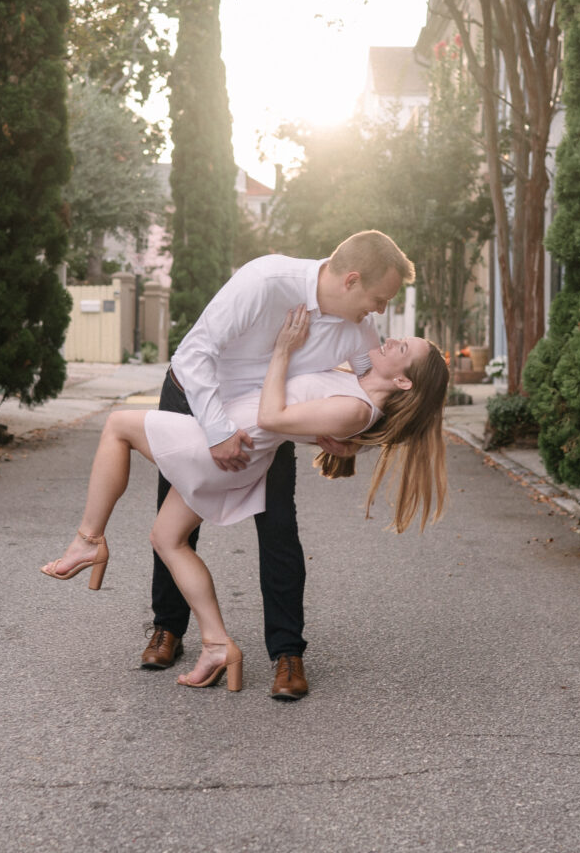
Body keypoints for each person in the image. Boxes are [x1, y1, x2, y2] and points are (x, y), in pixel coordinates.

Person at [41, 305, 449, 694]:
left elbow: (274, 417)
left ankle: (89, 540)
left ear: (404, 382)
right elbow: (348, 354)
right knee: (167, 538)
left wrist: (283, 352)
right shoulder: (358, 386)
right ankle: (217, 645)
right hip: (238, 444)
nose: (392, 339)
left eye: (402, 347)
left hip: (228, 441)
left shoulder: (357, 408)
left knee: (117, 425)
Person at [145, 229, 415, 700]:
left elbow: (374, 390)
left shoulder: (360, 329)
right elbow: (194, 355)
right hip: (195, 397)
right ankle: (168, 628)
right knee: (175, 521)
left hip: (267, 420)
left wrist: (351, 443)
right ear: (351, 279)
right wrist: (218, 432)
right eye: (379, 297)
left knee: (279, 529)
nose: (381, 310)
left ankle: (287, 653)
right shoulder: (267, 281)